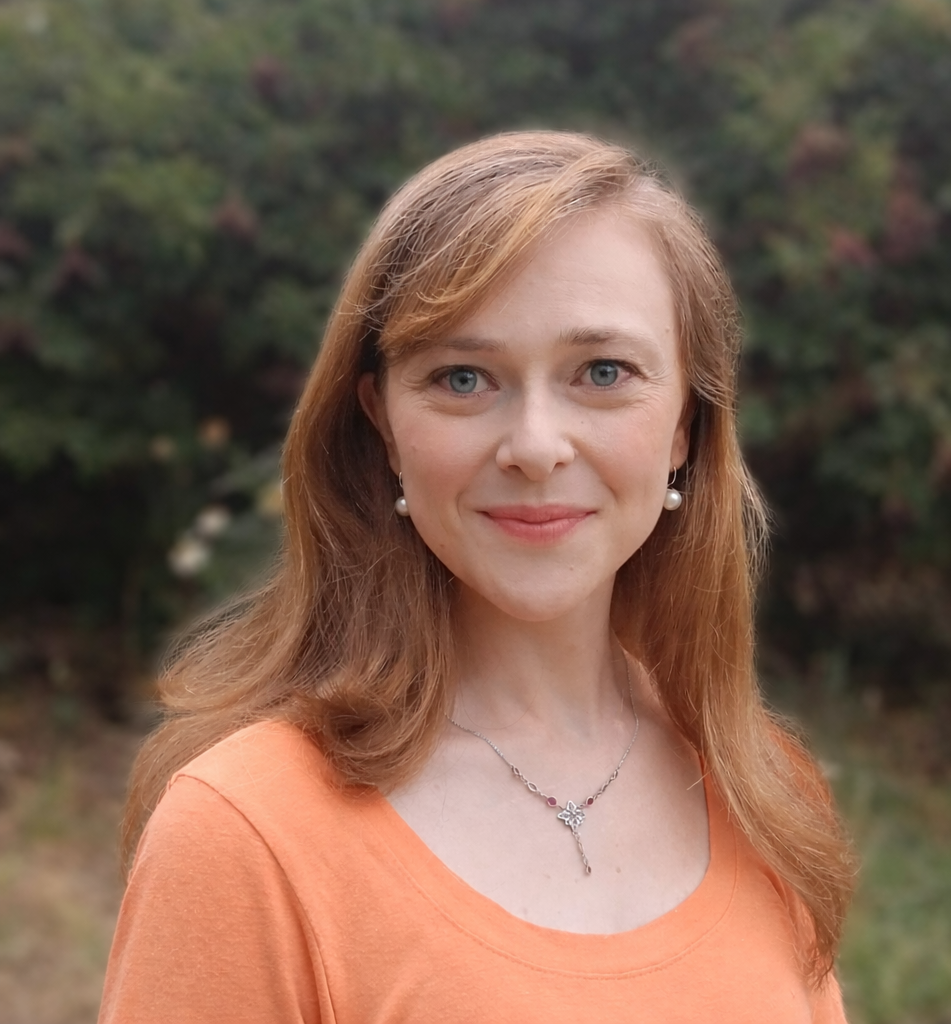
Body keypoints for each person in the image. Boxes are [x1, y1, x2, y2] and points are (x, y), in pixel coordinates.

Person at [100, 130, 855, 1022]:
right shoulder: (246, 835)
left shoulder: (763, 791)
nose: (535, 447)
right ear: (381, 422)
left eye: (602, 372)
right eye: (463, 377)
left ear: (687, 421)